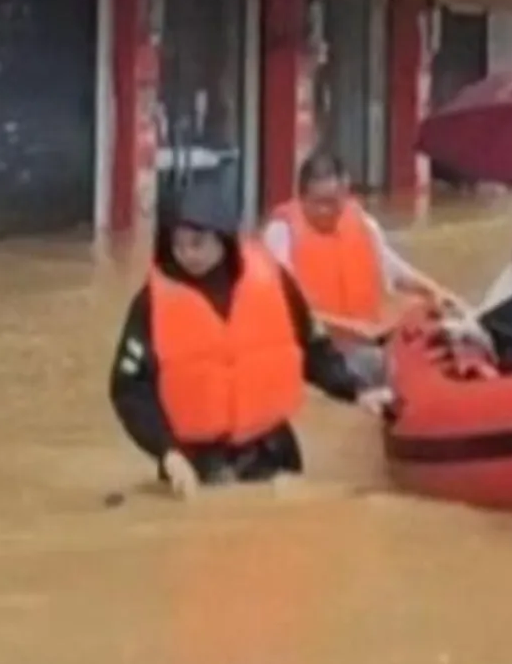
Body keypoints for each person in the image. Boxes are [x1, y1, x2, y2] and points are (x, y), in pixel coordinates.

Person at [109, 180, 396, 499]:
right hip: (197, 466)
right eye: (178, 245)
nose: (187, 254)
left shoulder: (272, 280)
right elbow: (130, 391)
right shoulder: (151, 303)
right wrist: (167, 452)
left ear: (222, 237)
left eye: (197, 242)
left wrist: (356, 390)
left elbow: (313, 351)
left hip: (273, 453)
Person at [261, 150, 441, 380]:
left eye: (334, 202)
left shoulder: (364, 225)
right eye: (318, 203)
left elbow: (395, 271)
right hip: (315, 351)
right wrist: (347, 327)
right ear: (301, 197)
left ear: (345, 195)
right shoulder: (281, 234)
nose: (326, 210)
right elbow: (283, 302)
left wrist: (434, 292)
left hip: (365, 341)